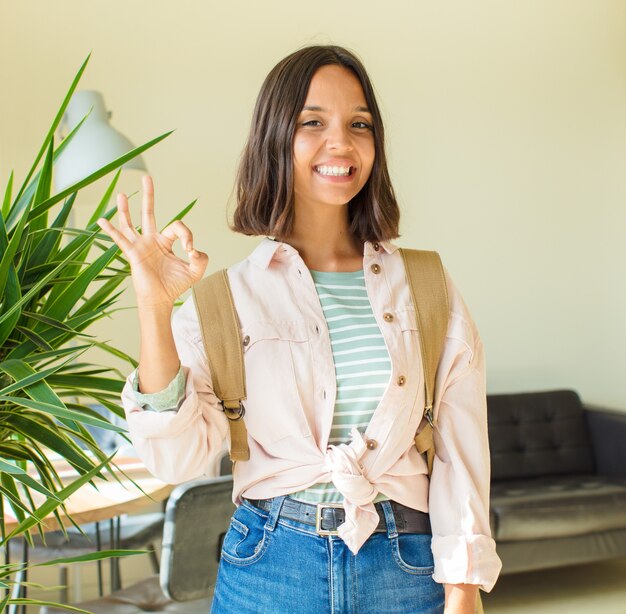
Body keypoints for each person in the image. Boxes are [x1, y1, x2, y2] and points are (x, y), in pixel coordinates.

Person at [98, 45, 502, 614]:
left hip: (408, 566)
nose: (340, 142)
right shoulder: (225, 299)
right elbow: (177, 461)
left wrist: (463, 588)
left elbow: (462, 447)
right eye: (313, 122)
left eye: (358, 124)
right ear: (274, 137)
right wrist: (153, 308)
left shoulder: (427, 285)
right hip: (269, 566)